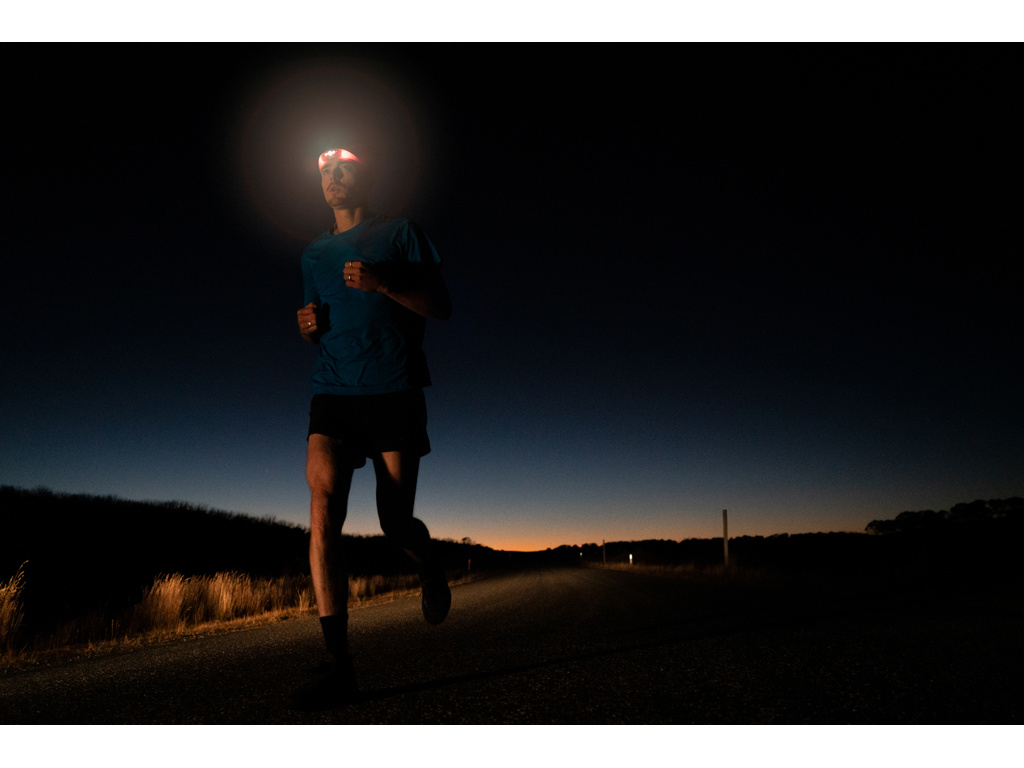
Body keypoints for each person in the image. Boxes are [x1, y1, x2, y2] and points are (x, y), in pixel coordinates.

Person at [292, 145, 452, 710]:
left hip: (394, 390)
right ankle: (339, 664)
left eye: (344, 169)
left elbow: (441, 305)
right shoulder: (313, 253)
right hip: (332, 391)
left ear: (365, 176)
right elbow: (317, 320)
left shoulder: (402, 233)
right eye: (324, 172)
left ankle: (429, 565)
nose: (333, 178)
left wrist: (384, 283)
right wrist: (308, 327)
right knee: (322, 509)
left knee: (394, 521)